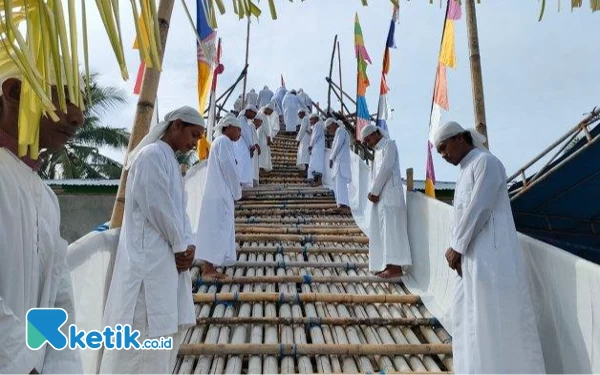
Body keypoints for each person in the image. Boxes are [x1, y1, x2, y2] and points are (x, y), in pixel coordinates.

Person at [433, 121, 546, 375]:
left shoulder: (486, 163)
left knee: (494, 319)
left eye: (444, 148)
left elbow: (479, 207)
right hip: (470, 261)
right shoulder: (465, 171)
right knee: (470, 322)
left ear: (460, 138)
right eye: (438, 152)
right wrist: (457, 250)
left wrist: (457, 247)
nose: (443, 156)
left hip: (491, 259)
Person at [101, 107, 203, 375]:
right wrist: (181, 245)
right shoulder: (151, 156)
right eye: (194, 135)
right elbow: (158, 206)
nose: (195, 143)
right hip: (149, 264)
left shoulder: (170, 160)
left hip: (165, 264)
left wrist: (189, 245)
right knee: (141, 341)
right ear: (176, 125)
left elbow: (180, 212)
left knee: (158, 342)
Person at [0, 70, 84, 375]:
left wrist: (58, 369)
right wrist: (23, 367)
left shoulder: (47, 198)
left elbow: (55, 304)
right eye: (66, 98)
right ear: (13, 92)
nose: (79, 118)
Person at [361, 124, 412, 278]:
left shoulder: (390, 145)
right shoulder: (376, 152)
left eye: (368, 138)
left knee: (392, 231)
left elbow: (386, 168)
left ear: (376, 133)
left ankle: (395, 267)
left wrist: (374, 191)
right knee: (383, 232)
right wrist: (372, 192)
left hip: (390, 196)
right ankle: (386, 265)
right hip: (380, 199)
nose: (368, 142)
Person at [195, 115, 243, 278]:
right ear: (228, 127)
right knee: (217, 229)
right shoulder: (224, 142)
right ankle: (208, 269)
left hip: (217, 193)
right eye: (238, 129)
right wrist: (237, 192)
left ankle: (210, 266)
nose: (240, 133)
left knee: (215, 229)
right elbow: (229, 168)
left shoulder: (220, 142)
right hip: (221, 193)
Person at [327, 119, 351, 209]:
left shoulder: (340, 131)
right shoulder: (339, 132)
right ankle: (341, 204)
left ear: (333, 124)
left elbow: (338, 145)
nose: (329, 130)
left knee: (341, 184)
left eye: (329, 128)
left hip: (341, 163)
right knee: (339, 184)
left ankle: (343, 205)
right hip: (339, 163)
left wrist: (331, 158)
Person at [235, 105, 259, 188]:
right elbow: (245, 134)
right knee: (242, 164)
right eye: (254, 114)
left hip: (244, 146)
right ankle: (241, 183)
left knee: (244, 165)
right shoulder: (242, 120)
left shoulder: (244, 120)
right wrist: (251, 146)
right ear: (249, 111)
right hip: (243, 145)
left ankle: (243, 183)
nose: (254, 117)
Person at [307, 113, 325, 186]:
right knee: (314, 163)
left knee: (317, 164)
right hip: (316, 147)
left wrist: (310, 145)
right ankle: (314, 179)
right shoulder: (316, 126)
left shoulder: (318, 125)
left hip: (317, 147)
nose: (310, 121)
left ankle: (319, 181)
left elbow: (315, 136)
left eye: (312, 119)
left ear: (316, 118)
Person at [295, 108, 311, 175]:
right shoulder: (308, 118)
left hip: (305, 138)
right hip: (308, 137)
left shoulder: (305, 119)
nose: (298, 116)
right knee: (306, 154)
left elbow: (302, 130)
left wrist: (298, 140)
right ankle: (306, 170)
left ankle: (306, 171)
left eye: (299, 114)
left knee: (304, 154)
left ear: (303, 113)